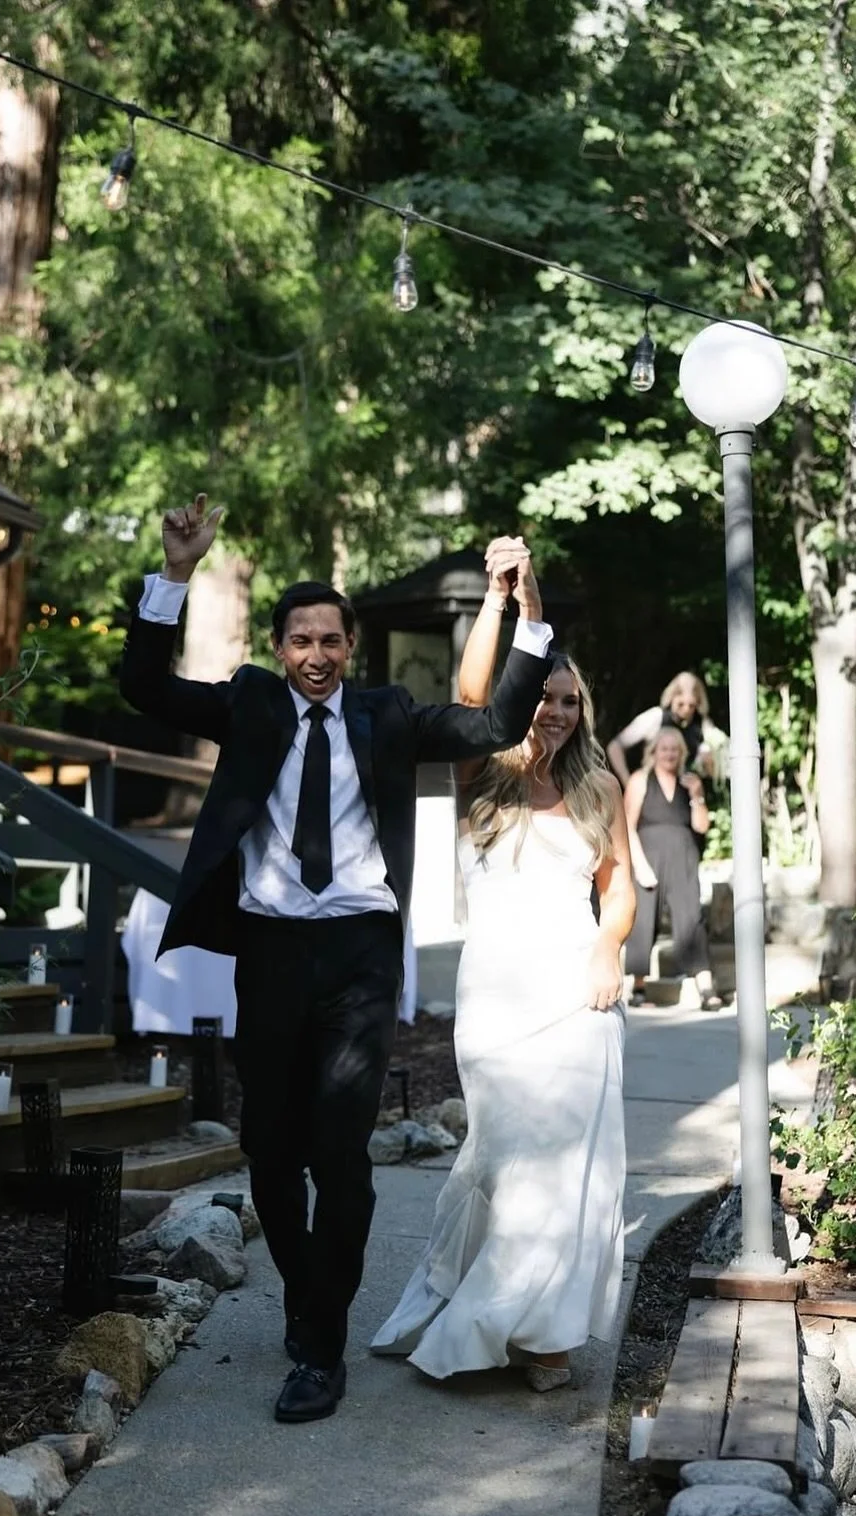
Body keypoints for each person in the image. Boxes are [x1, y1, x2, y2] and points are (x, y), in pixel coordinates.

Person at [119, 495, 554, 1423]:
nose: (316, 655)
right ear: (280, 647)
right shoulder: (247, 704)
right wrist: (177, 574)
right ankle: (310, 1293)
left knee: (339, 1154)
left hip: (358, 954)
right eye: (300, 640)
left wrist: (524, 609)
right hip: (269, 953)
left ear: (350, 649)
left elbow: (494, 724)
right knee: (271, 1155)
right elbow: (143, 691)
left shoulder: (387, 713)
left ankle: (320, 1348)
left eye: (331, 641)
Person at [371, 559, 635, 1390]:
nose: (553, 711)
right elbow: (474, 683)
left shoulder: (598, 786)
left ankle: (545, 1336)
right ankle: (488, 1311)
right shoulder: (481, 774)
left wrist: (608, 950)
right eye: (543, 695)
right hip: (497, 1004)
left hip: (577, 1000)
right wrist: (506, 600)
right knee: (510, 1162)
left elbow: (619, 886)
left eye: (568, 700)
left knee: (573, 1169)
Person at [624, 726, 722, 1011]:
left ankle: (705, 986)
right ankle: (638, 988)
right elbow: (627, 825)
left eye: (675, 749)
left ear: (682, 754)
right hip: (648, 855)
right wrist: (639, 864)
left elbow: (701, 826)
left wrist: (697, 794)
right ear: (654, 751)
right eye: (664, 748)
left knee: (691, 918)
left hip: (683, 857)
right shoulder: (640, 780)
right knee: (642, 920)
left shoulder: (689, 782)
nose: (669, 753)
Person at [606, 671, 717, 786]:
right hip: (651, 789)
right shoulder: (656, 717)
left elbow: (712, 770)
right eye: (681, 704)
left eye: (691, 706)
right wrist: (628, 783)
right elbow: (614, 747)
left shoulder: (702, 727)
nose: (686, 710)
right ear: (672, 697)